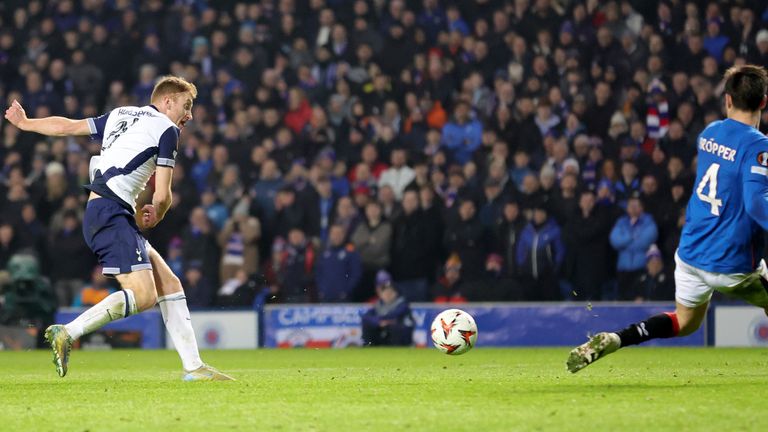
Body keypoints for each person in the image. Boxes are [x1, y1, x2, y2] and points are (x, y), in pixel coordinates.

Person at [4, 76, 233, 380]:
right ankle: (68, 332)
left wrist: (27, 124)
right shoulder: (167, 130)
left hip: (105, 211)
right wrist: (159, 212)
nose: (189, 115)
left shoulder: (120, 114)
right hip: (111, 212)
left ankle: (194, 367)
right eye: (186, 105)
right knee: (143, 295)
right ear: (167, 101)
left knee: (170, 284)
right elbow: (163, 194)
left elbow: (68, 126)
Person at [567, 65, 768, 372]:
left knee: (685, 322)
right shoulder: (758, 146)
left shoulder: (708, 134)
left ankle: (617, 338)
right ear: (763, 102)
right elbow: (755, 203)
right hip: (730, 263)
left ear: (727, 100)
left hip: (690, 255)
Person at [361, 270, 414, 346]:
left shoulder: (401, 303)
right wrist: (379, 322)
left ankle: (396, 350)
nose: (387, 295)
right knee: (368, 325)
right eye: (385, 292)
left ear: (395, 293)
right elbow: (366, 317)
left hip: (402, 335)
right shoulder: (379, 304)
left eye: (390, 292)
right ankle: (369, 347)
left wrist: (383, 320)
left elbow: (394, 315)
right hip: (383, 329)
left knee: (393, 327)